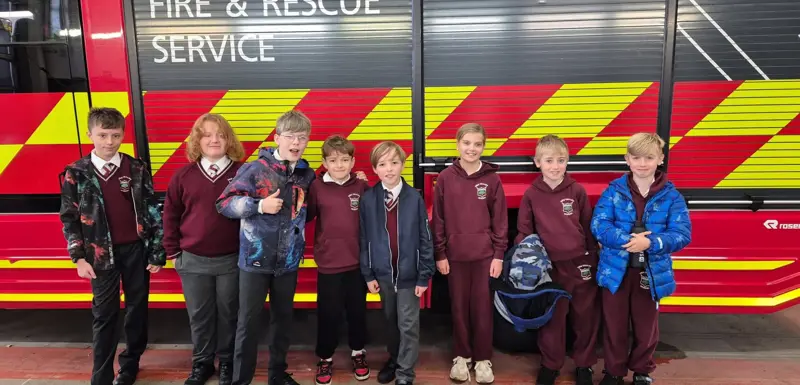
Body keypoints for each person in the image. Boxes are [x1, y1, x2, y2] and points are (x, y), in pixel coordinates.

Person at [58, 107, 165, 385]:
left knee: (137, 309)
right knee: (104, 314)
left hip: (136, 252)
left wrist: (156, 250)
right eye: (102, 135)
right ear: (89, 134)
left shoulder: (136, 168)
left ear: (123, 135)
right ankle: (101, 375)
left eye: (115, 135)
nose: (109, 141)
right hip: (99, 255)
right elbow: (69, 219)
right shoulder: (76, 173)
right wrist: (79, 258)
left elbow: (152, 210)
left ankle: (130, 364)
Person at [215, 109, 317, 385]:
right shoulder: (255, 169)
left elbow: (314, 209)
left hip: (288, 262)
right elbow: (224, 204)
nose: (297, 143)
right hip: (255, 262)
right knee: (247, 325)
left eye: (303, 138)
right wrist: (259, 205)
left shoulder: (306, 174)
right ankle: (240, 380)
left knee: (282, 322)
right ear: (277, 138)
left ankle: (277, 375)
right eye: (291, 137)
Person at [591, 133, 692, 385]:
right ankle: (613, 371)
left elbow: (681, 234)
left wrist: (651, 243)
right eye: (636, 158)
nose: (643, 163)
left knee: (646, 328)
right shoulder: (613, 192)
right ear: (627, 159)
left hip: (651, 274)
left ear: (660, 159)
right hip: (616, 272)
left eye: (649, 157)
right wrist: (626, 240)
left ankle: (642, 371)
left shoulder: (671, 197)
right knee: (614, 326)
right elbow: (599, 224)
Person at [162, 113, 246, 385]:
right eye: (207, 134)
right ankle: (202, 363)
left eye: (220, 135)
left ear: (228, 140)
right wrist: (173, 252)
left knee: (229, 313)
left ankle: (227, 362)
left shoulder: (242, 173)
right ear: (197, 140)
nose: (214, 140)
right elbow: (170, 215)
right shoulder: (183, 175)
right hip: (193, 260)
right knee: (199, 315)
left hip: (232, 260)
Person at [515, 134, 599, 385]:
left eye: (560, 160)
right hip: (549, 267)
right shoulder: (531, 194)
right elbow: (524, 232)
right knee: (553, 318)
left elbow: (588, 226)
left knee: (585, 317)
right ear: (537, 162)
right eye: (549, 160)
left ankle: (584, 365)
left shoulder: (577, 191)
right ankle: (551, 365)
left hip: (579, 263)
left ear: (567, 161)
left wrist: (591, 257)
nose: (555, 166)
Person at [431, 123, 507, 384]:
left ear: (483, 147)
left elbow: (500, 221)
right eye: (467, 143)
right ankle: (462, 357)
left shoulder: (492, 179)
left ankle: (483, 359)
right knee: (459, 307)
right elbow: (438, 219)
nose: (471, 148)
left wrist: (498, 254)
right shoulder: (445, 178)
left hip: (484, 256)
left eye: (477, 144)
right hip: (454, 256)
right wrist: (440, 253)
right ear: (457, 144)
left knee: (482, 308)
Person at [359, 141, 435, 385]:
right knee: (391, 322)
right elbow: (363, 238)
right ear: (375, 169)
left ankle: (405, 373)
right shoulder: (369, 199)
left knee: (408, 325)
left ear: (403, 164)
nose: (389, 169)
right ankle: (394, 359)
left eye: (394, 162)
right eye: (382, 164)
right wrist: (368, 274)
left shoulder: (414, 198)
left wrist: (424, 275)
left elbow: (425, 238)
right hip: (382, 274)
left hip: (409, 275)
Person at [306, 135, 371, 385]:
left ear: (353, 161)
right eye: (333, 160)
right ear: (324, 162)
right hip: (329, 263)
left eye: (345, 160)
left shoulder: (361, 187)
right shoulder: (317, 187)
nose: (340, 165)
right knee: (328, 312)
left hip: (356, 263)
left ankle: (358, 352)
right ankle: (325, 357)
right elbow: (307, 215)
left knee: (357, 311)